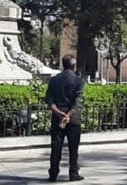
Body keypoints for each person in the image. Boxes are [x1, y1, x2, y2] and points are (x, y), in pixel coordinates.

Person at [44, 54, 85, 182]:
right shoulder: (79, 81)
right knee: (73, 148)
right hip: (73, 119)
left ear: (63, 64)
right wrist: (68, 115)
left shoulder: (54, 80)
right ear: (74, 65)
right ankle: (73, 173)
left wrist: (59, 113)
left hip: (57, 118)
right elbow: (78, 102)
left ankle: (53, 173)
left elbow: (49, 100)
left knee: (56, 147)